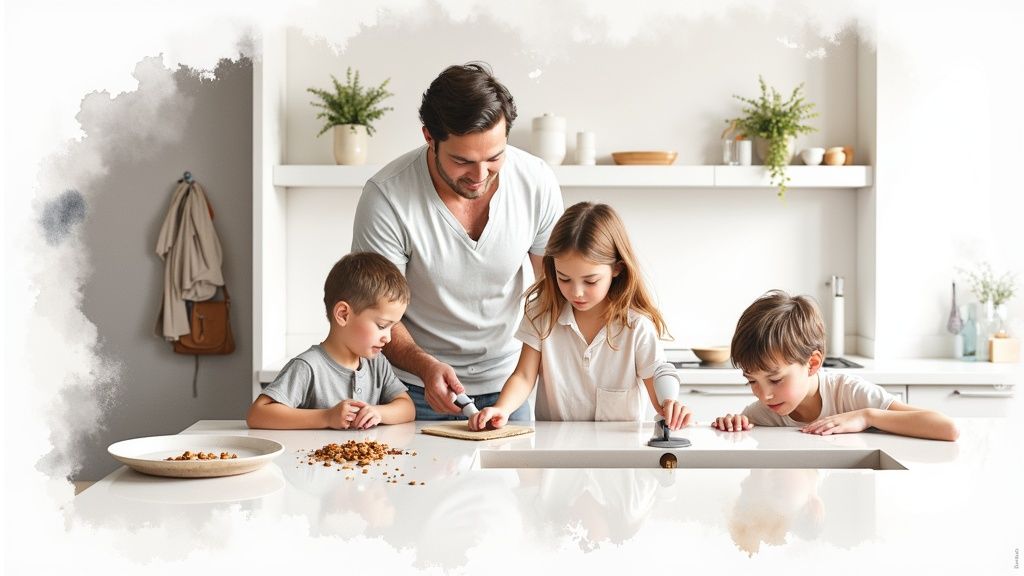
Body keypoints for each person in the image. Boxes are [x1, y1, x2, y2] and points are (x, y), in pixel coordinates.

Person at [351, 62, 563, 420]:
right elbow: (374, 313)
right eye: (462, 160)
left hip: (507, 387)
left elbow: (554, 289)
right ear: (429, 138)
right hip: (411, 390)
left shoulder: (536, 181)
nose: (480, 175)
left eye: (494, 157)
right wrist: (425, 366)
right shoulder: (387, 197)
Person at [469, 202, 692, 430]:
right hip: (554, 448)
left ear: (617, 268)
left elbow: (658, 382)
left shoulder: (637, 327)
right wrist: (503, 408)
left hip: (618, 451)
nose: (576, 292)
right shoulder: (542, 314)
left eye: (590, 281)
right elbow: (524, 376)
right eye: (564, 278)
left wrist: (670, 404)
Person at [711, 290, 959, 441]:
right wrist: (733, 425)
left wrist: (867, 416)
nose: (764, 395)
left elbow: (947, 428)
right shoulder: (763, 414)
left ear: (812, 363)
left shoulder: (849, 393)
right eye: (752, 381)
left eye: (776, 380)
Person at [247, 252, 415, 429]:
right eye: (382, 326)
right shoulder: (308, 366)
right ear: (343, 314)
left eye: (392, 327)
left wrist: (378, 412)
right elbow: (257, 414)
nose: (388, 338)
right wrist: (326, 417)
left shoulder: (377, 364)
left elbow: (408, 408)